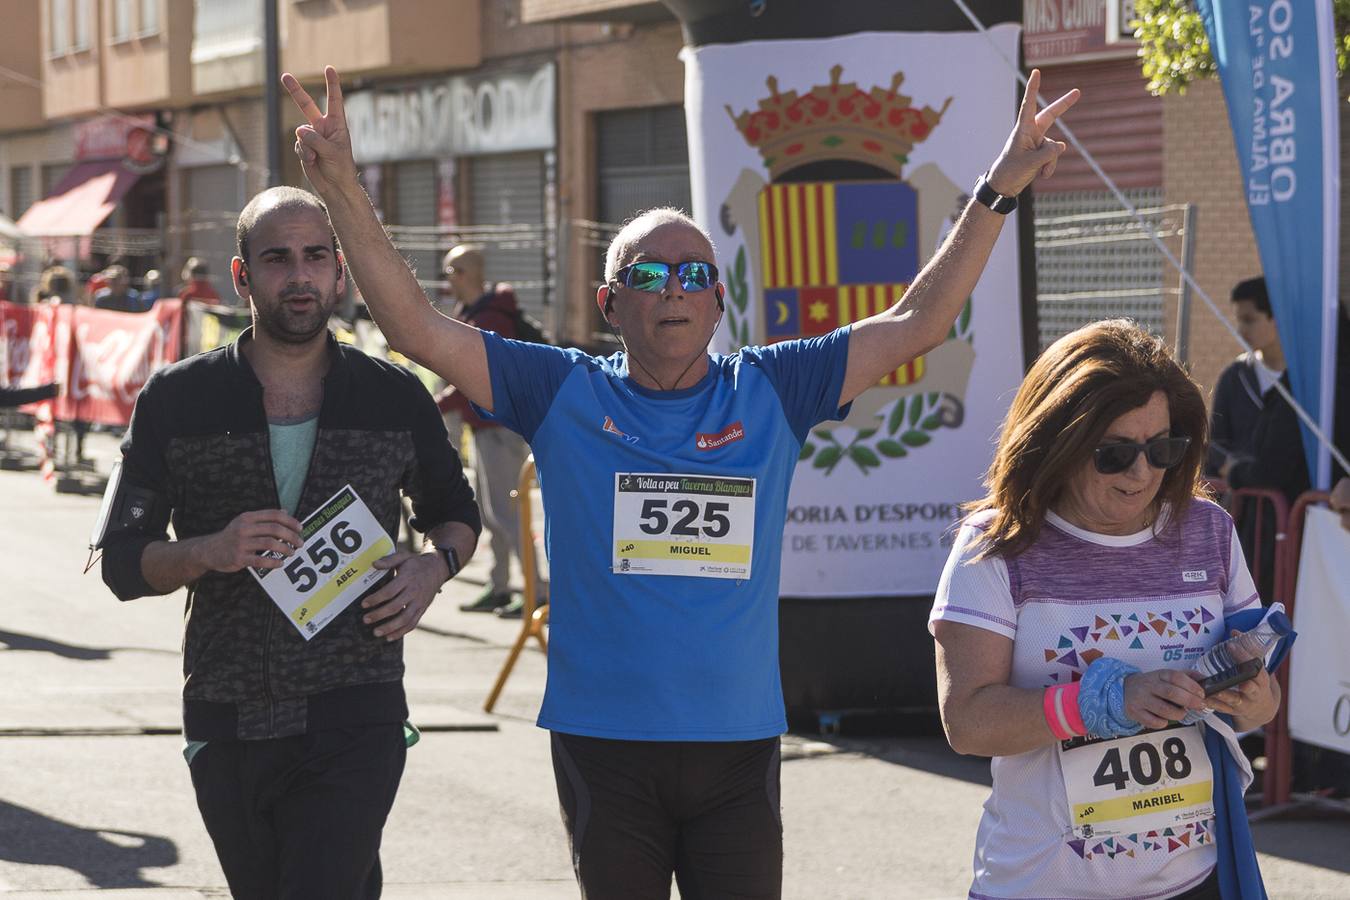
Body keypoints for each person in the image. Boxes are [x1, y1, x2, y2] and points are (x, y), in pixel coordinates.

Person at [284, 64, 1077, 897]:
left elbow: (918, 321)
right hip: (603, 743)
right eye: (649, 275)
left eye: (694, 274)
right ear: (610, 303)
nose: (674, 289)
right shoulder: (561, 390)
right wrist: (341, 186)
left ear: (718, 302)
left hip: (737, 746)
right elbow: (415, 327)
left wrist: (998, 189)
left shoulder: (773, 387)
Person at [100, 186, 482, 898]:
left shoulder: (393, 395)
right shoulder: (177, 399)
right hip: (228, 714)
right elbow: (122, 562)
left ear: (339, 273)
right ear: (243, 276)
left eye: (315, 257)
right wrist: (208, 550)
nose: (299, 276)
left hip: (357, 708)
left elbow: (455, 513)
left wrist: (435, 567)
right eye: (277, 259)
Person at [932, 320, 1282, 900]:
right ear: (1058, 441)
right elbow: (967, 722)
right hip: (1042, 885)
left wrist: (1253, 698)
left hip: (1193, 880)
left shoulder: (1208, 530)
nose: (1141, 474)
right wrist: (1104, 702)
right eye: (1114, 454)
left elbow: (1263, 704)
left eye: (1162, 448)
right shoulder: (997, 544)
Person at [434, 244, 543, 617]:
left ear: (466, 274)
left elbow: (475, 376)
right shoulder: (471, 313)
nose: (447, 281)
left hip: (501, 430)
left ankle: (536, 590)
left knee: (509, 514)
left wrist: (434, 406)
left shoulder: (491, 318)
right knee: (491, 513)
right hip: (483, 429)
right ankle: (499, 585)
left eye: (451, 272)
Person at [1207, 277, 1284, 477]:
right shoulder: (1234, 377)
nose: (1241, 330)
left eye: (1249, 320)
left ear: (1277, 318)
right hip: (1240, 492)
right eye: (1239, 320)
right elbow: (1216, 442)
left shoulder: (1305, 381)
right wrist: (1229, 465)